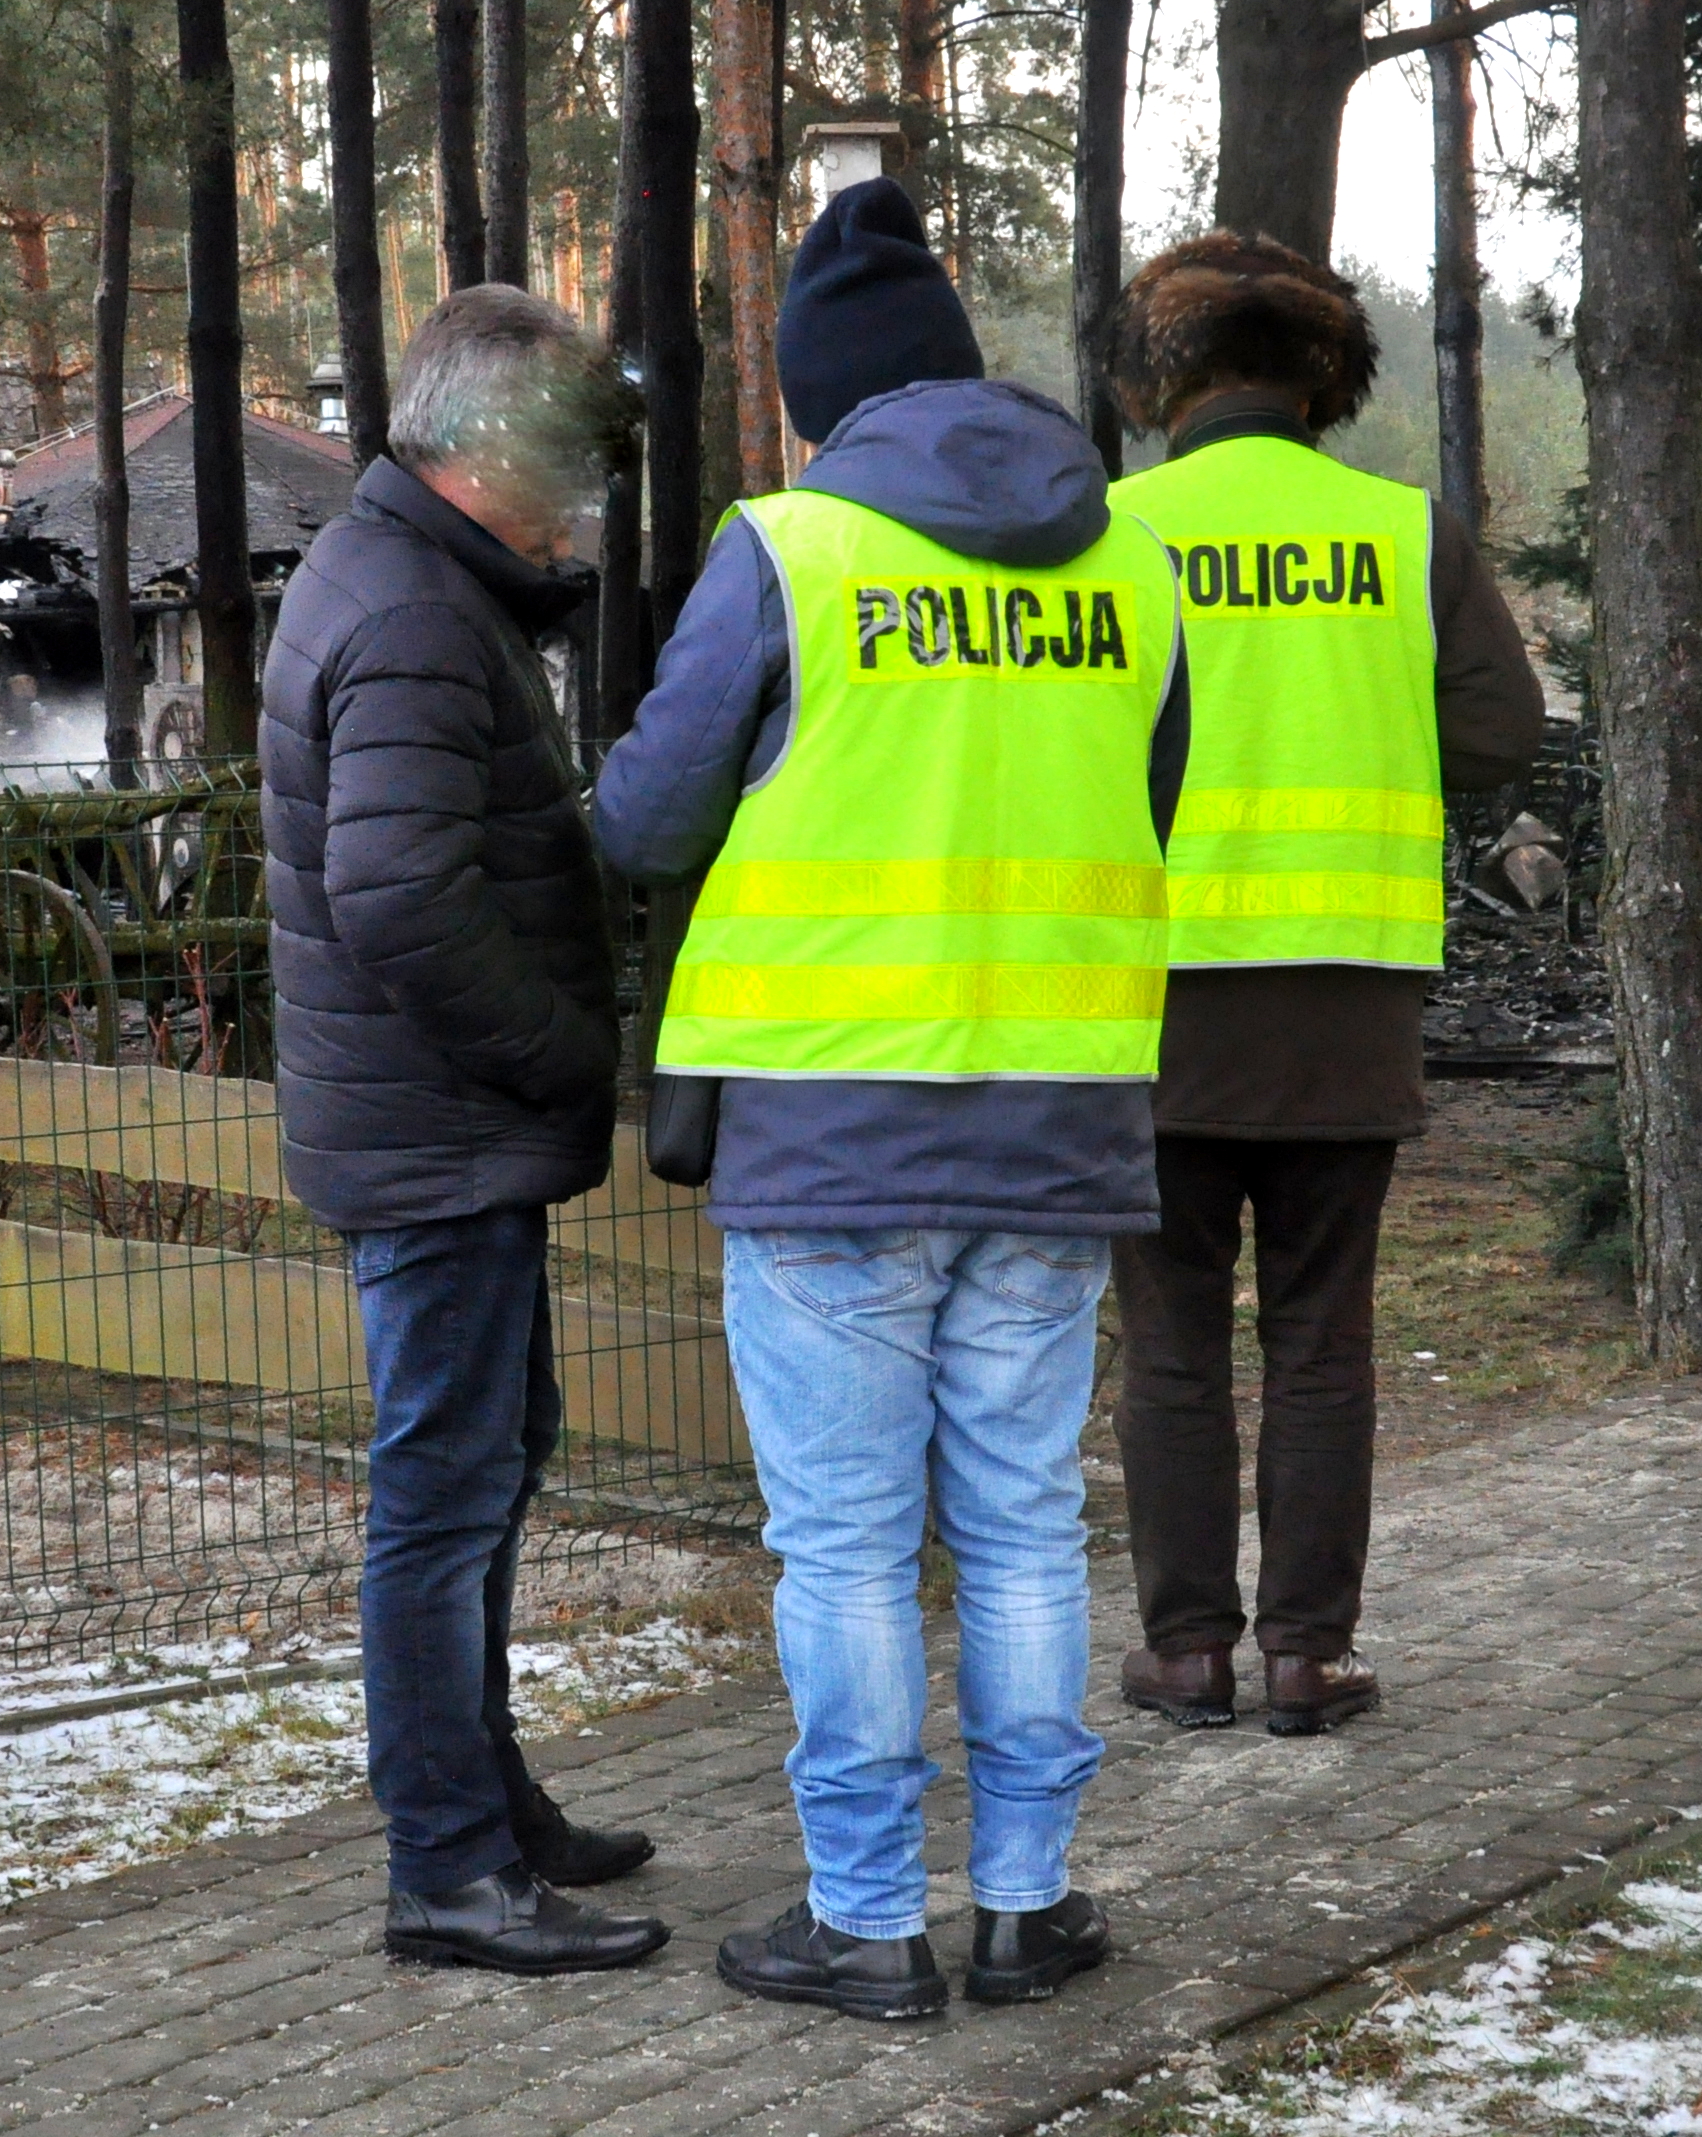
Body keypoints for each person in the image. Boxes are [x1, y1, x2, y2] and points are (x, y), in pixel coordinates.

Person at [595, 177, 1186, 2022]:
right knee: (1020, 1525)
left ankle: (865, 1918)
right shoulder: (1134, 563)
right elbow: (1138, 812)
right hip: (1061, 1125)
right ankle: (1028, 1901)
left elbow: (649, 817)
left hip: (832, 1135)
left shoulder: (794, 548)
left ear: (819, 398)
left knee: (846, 1542)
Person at [261, 285, 668, 1976]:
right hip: (446, 1137)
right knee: (440, 1503)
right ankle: (446, 1863)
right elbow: (402, 892)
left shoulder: (409, 580)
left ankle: (486, 1806)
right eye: (567, 455)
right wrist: (567, 1054)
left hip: (442, 1133)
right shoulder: (418, 612)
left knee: (483, 1476)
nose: (583, 492)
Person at [1098, 234, 1547, 1736]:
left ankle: (1187, 1651)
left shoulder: (1116, 530)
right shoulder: (1403, 532)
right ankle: (1306, 1651)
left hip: (1151, 1000)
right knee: (1320, 1335)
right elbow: (1497, 730)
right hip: (1349, 1000)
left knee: (1168, 1345)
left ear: (1172, 380)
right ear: (1318, 384)